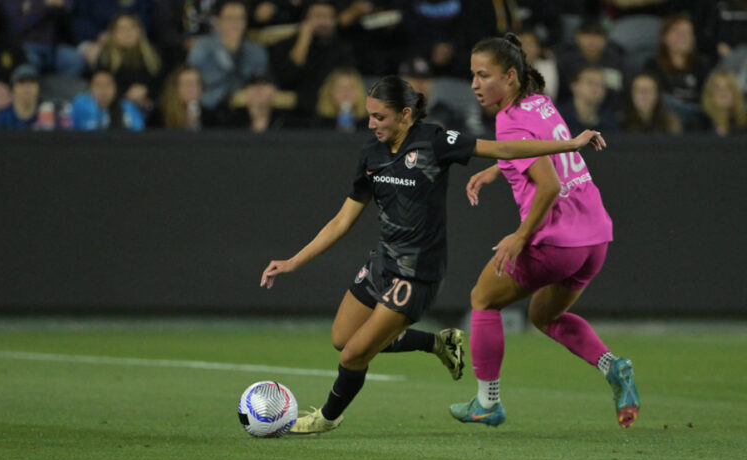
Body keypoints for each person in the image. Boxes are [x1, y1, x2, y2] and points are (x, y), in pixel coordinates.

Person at [260, 74, 606, 435]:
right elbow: (341, 221)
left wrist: (566, 146)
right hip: (383, 262)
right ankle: (437, 342)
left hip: (417, 272)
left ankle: (327, 418)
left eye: (380, 117)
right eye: (370, 116)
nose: (371, 124)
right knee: (342, 340)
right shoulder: (371, 154)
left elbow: (502, 149)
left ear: (406, 114)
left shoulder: (435, 141)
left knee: (353, 355)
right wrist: (292, 262)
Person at [449, 34, 639, 430]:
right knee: (545, 314)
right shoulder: (540, 102)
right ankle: (613, 366)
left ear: (511, 75)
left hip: (557, 241)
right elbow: (542, 152)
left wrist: (521, 236)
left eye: (484, 75)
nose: (475, 84)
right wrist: (495, 169)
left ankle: (487, 402)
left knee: (483, 299)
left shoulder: (508, 121)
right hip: (595, 238)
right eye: (473, 75)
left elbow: (549, 185)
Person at [269, 0, 355, 118]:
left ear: (335, 21)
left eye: (328, 17)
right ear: (305, 20)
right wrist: (303, 40)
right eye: (317, 16)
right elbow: (286, 80)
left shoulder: (343, 49)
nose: (322, 22)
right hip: (294, 113)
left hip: (332, 112)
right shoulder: (285, 46)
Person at [187, 0, 269, 113]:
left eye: (239, 18)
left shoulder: (256, 51)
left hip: (244, 111)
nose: (235, 23)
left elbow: (262, 82)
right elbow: (191, 82)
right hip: (208, 109)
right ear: (219, 21)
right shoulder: (202, 48)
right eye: (230, 18)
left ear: (245, 23)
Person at [644, 15, 712, 130]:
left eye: (688, 33)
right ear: (664, 37)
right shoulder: (653, 65)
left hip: (697, 118)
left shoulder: (702, 65)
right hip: (666, 117)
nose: (683, 37)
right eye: (677, 32)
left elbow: (707, 96)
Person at [0, 0, 85, 77]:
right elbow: (16, 26)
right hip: (28, 47)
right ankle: (34, 91)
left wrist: (32, 9)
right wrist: (44, 5)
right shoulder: (9, 2)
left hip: (53, 48)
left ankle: (57, 89)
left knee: (76, 60)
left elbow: (69, 6)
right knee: (28, 66)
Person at [96, 13, 163, 113]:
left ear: (140, 31)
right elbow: (99, 87)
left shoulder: (154, 54)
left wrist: (147, 92)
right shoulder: (105, 59)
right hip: (115, 109)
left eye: (132, 28)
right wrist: (126, 96)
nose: (128, 33)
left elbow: (163, 83)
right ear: (113, 34)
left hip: (151, 107)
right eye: (122, 29)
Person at [71, 70, 144, 130]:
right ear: (90, 89)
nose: (103, 90)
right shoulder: (79, 105)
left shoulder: (128, 108)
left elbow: (138, 134)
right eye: (98, 85)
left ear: (115, 88)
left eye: (108, 85)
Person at [558, 66, 620, 133]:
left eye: (601, 84)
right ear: (574, 86)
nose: (596, 88)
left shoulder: (611, 121)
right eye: (590, 82)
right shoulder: (557, 117)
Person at [155, 64, 214, 130]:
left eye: (197, 83)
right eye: (187, 84)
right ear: (175, 88)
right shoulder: (159, 116)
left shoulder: (211, 117)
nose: (193, 88)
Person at [313, 67, 368, 131]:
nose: (346, 91)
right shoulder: (318, 125)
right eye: (340, 87)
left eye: (351, 87)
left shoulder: (370, 125)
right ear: (330, 92)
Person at [0, 64, 42, 129]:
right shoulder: (2, 118)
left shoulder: (49, 115)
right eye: (22, 82)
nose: (27, 87)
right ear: (13, 88)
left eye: (32, 82)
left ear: (38, 87)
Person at [700, 68, 747, 136]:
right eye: (718, 88)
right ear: (710, 94)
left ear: (735, 93)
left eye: (728, 87)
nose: (723, 92)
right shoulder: (700, 124)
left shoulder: (744, 124)